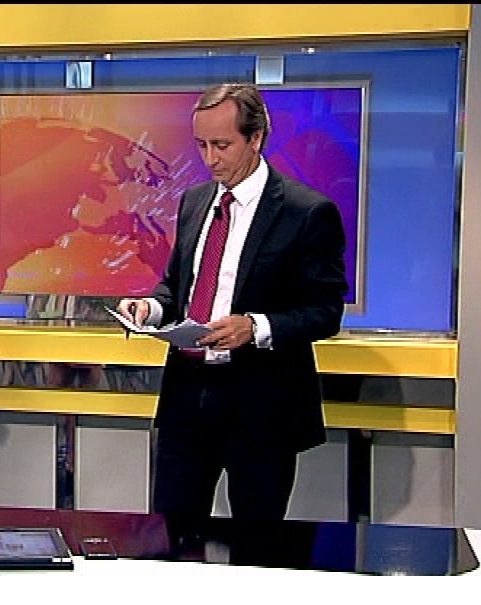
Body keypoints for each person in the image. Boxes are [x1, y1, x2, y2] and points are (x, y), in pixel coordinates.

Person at [117, 83, 347, 528]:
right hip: (187, 401)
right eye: (201, 145)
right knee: (172, 538)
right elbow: (176, 289)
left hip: (260, 407)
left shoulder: (306, 211)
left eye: (221, 145)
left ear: (256, 137)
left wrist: (255, 327)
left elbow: (324, 312)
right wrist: (151, 310)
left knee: (256, 545)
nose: (210, 158)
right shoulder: (195, 202)